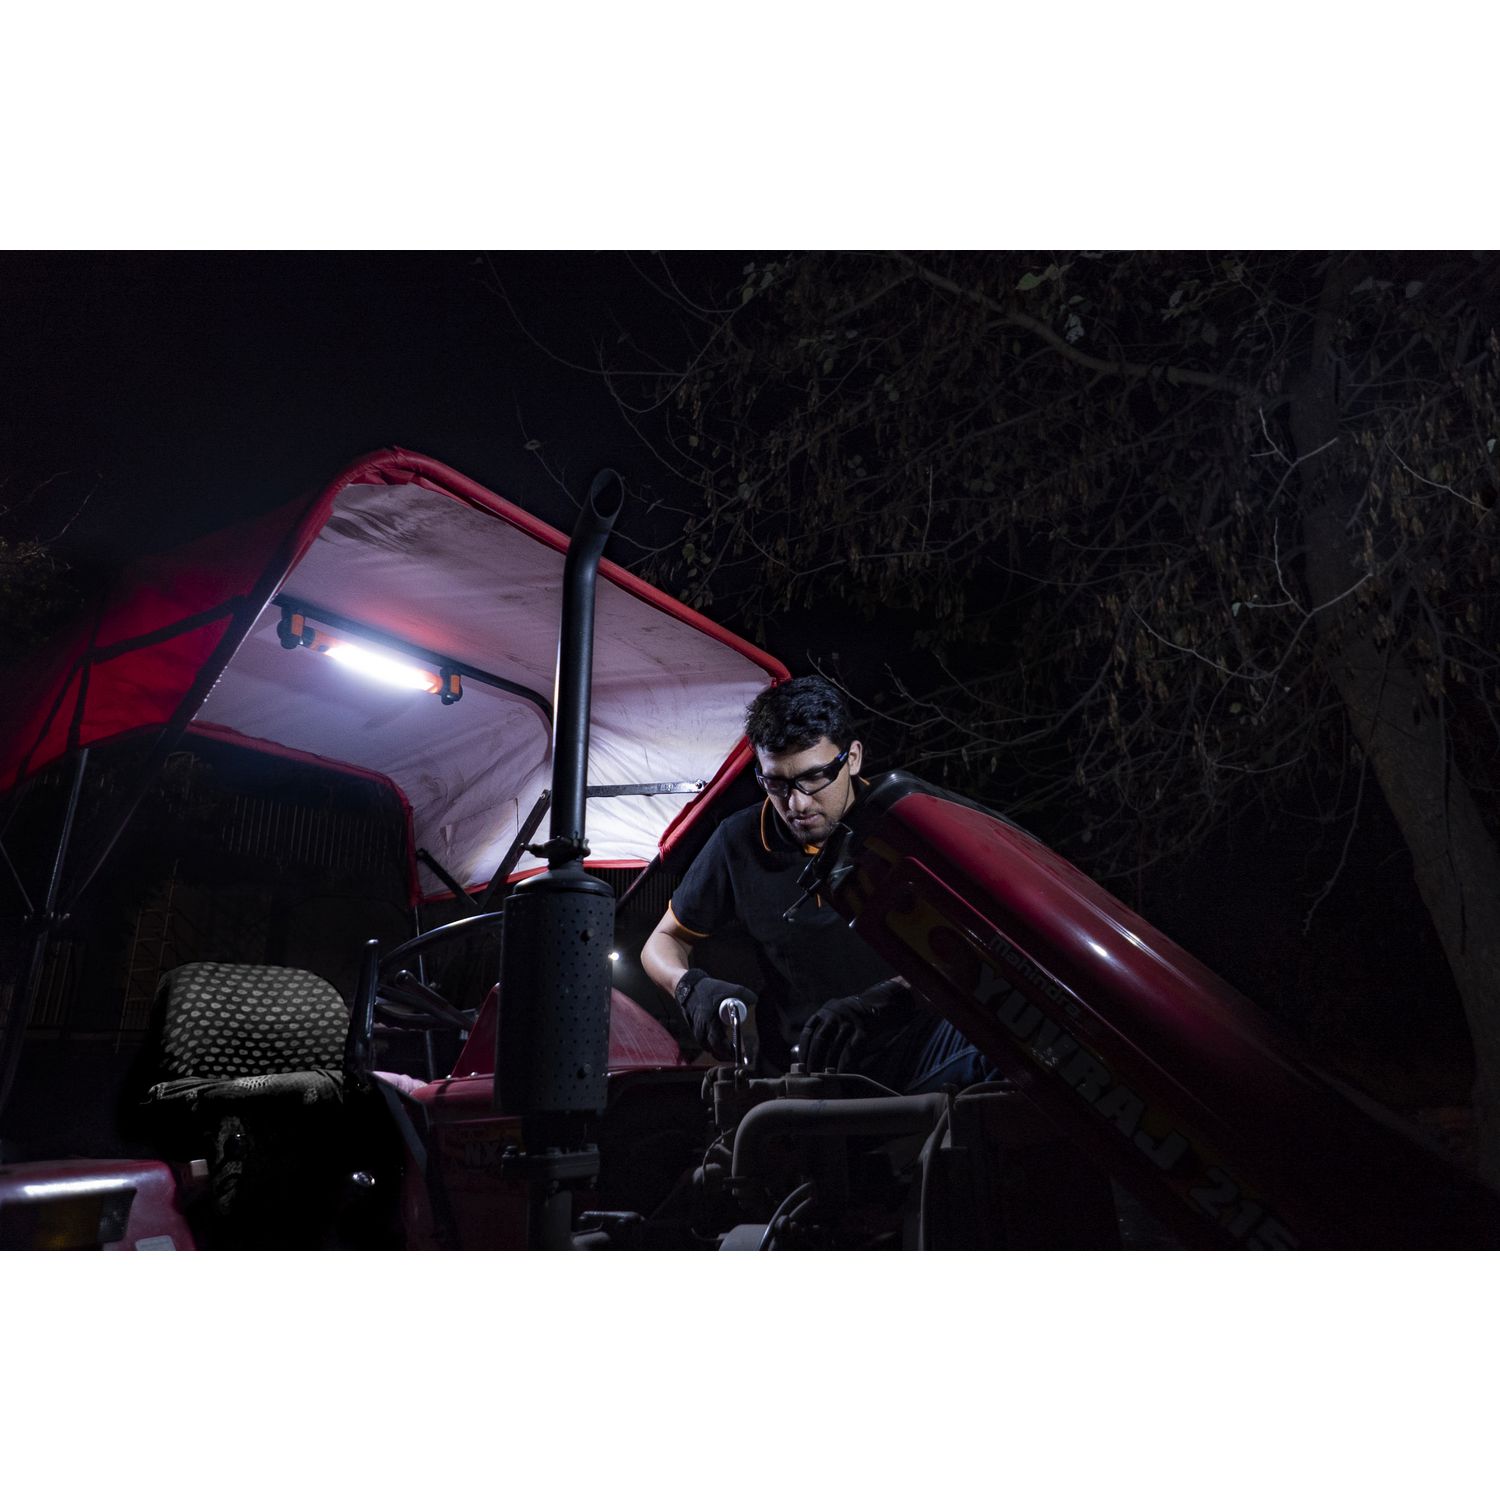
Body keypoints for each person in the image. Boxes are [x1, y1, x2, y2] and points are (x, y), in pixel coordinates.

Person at [641, 676, 995, 1094]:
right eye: (777, 783)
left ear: (853, 758)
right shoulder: (739, 842)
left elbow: (981, 949)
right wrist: (690, 988)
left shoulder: (909, 826)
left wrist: (888, 1002)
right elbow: (662, 941)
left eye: (814, 777)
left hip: (920, 1052)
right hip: (808, 1072)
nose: (798, 803)